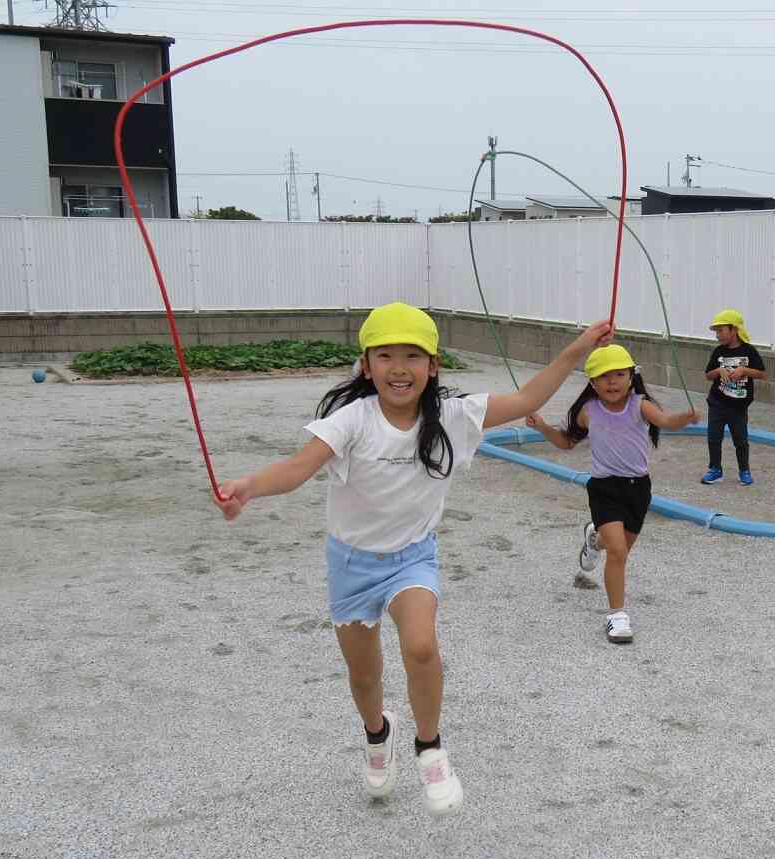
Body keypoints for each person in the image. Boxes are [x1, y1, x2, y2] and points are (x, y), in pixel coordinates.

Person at [214, 302, 613, 812]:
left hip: (412, 559)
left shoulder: (454, 415)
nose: (399, 368)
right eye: (385, 356)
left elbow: (530, 397)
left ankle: (430, 747)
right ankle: (379, 735)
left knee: (421, 647)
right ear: (366, 364)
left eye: (412, 356)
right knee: (365, 678)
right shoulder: (351, 420)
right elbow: (296, 470)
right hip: (351, 565)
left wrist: (579, 348)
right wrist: (247, 488)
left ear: (433, 365)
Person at [525, 344, 698, 644]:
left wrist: (684, 417)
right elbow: (566, 443)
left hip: (638, 489)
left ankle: (594, 537)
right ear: (592, 383)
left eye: (619, 374)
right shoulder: (588, 411)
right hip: (604, 488)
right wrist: (541, 426)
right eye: (604, 377)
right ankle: (616, 616)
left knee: (618, 547)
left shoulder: (640, 405)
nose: (612, 382)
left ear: (631, 376)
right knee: (617, 552)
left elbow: (667, 422)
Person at [701, 308, 767, 486]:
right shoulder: (718, 352)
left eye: (721, 330)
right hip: (717, 402)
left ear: (734, 330)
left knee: (741, 440)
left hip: (738, 406)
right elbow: (708, 375)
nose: (717, 335)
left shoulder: (749, 351)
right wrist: (719, 370)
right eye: (716, 331)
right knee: (713, 437)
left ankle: (744, 470)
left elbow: (762, 373)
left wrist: (744, 370)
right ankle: (715, 469)